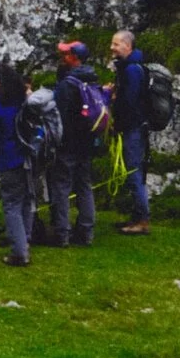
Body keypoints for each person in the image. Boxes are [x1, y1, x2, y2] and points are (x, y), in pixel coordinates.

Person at [48, 36, 107, 250]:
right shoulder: (92, 79)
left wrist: (54, 141)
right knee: (84, 186)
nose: (62, 57)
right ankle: (86, 232)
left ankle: (62, 233)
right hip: (88, 142)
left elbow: (59, 118)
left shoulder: (67, 85)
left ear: (74, 58)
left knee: (61, 187)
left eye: (65, 54)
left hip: (67, 144)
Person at [0, 62, 35, 267]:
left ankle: (19, 252)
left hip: (9, 158)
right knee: (26, 201)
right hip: (30, 157)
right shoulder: (24, 102)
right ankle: (25, 240)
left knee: (11, 204)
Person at [110, 26, 152, 235]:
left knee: (134, 171)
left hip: (133, 128)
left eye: (116, 44)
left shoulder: (132, 70)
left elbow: (130, 101)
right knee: (132, 171)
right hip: (134, 126)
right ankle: (137, 216)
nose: (112, 48)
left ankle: (142, 220)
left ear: (127, 45)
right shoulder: (130, 67)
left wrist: (118, 118)